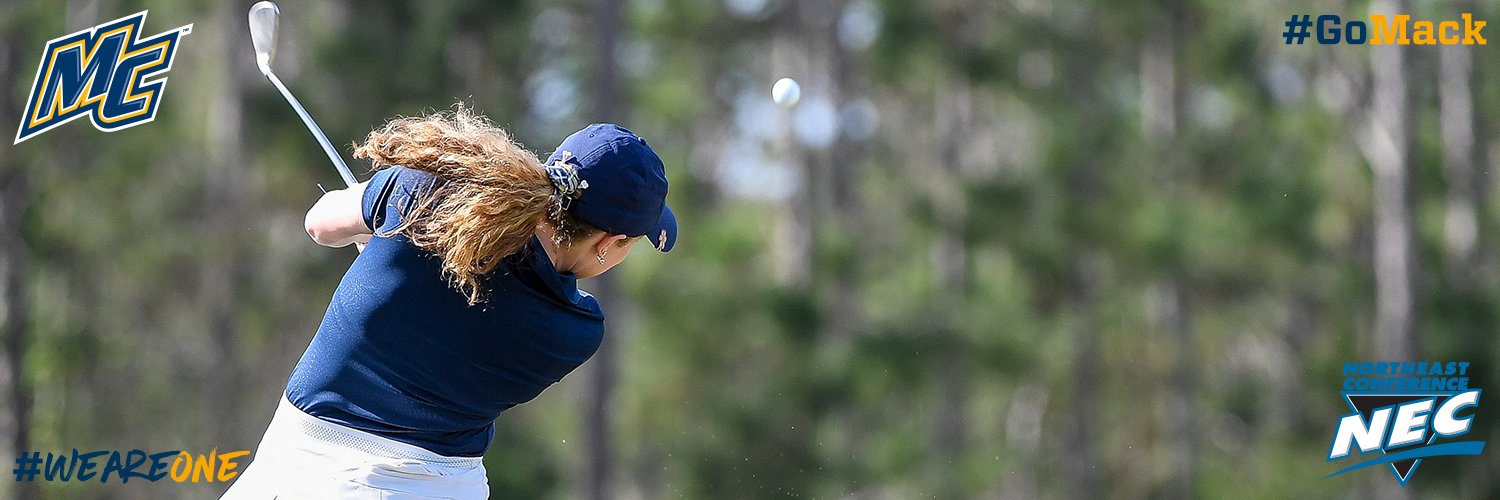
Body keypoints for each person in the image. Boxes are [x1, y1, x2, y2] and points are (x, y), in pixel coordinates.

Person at [222, 106, 675, 499]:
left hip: (296, 463)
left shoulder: (422, 193)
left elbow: (319, 223)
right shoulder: (577, 329)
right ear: (608, 243)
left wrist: (382, 226)